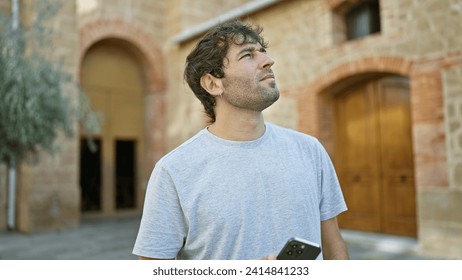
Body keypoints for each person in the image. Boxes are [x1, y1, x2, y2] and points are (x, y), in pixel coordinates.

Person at [133, 20, 349, 260]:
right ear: (213, 84)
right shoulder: (173, 171)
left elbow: (333, 245)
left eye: (262, 52)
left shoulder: (310, 151)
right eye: (247, 55)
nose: (267, 61)